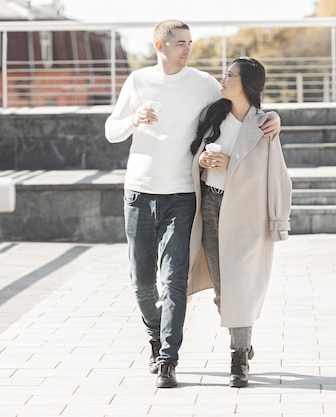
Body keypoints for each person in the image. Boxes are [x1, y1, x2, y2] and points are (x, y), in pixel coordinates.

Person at [104, 21, 281, 389]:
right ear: (159, 45)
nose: (187, 49)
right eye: (180, 43)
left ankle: (172, 359)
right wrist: (133, 121)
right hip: (141, 192)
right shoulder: (138, 81)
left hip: (185, 196)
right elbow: (111, 130)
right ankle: (157, 338)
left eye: (190, 43)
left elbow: (246, 110)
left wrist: (275, 117)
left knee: (179, 282)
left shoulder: (203, 83)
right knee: (142, 284)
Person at [189, 57, 292, 388]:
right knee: (223, 288)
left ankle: (237, 359)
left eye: (229, 75)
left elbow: (278, 176)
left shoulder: (264, 125)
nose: (223, 78)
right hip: (210, 205)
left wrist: (279, 221)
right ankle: (243, 341)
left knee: (241, 287)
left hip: (246, 214)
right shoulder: (213, 118)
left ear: (246, 84)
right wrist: (203, 160)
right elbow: (198, 158)